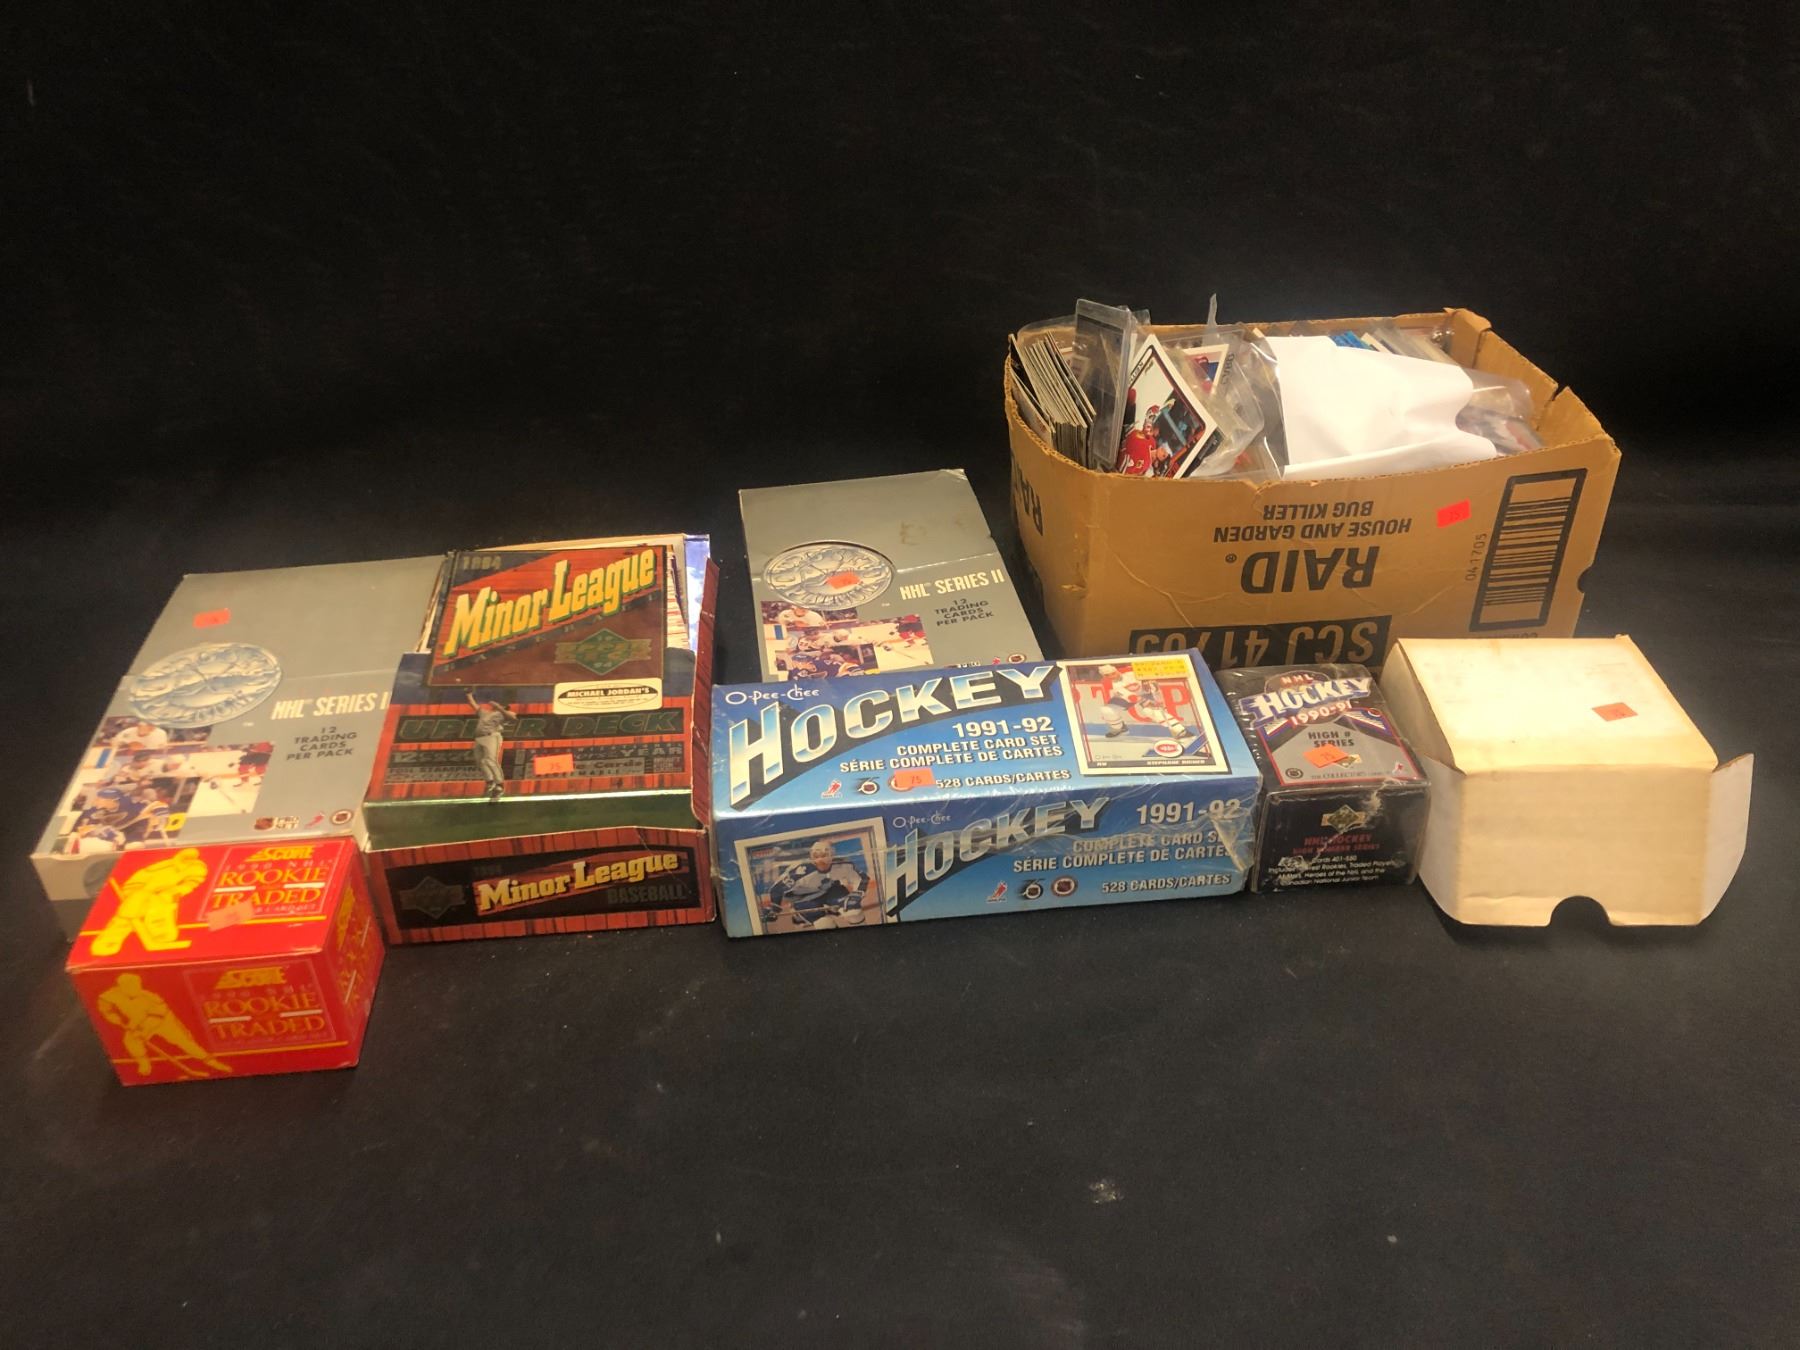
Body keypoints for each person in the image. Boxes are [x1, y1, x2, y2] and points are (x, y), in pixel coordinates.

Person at [96, 973, 231, 1077]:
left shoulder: (150, 997)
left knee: (183, 1041)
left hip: (163, 1021)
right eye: (130, 987)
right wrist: (114, 1018)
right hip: (136, 1022)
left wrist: (141, 1031)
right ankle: (143, 1062)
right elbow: (106, 1008)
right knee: (131, 1041)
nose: (135, 988)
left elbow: (156, 1018)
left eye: (137, 985)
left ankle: (210, 1061)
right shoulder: (109, 996)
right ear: (121, 987)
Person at [92, 846, 209, 955]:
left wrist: (172, 892)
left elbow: (191, 883)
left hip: (164, 896)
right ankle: (110, 939)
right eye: (185, 857)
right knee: (128, 913)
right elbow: (136, 881)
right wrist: (136, 892)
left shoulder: (196, 868)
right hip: (140, 892)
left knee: (158, 914)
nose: (186, 860)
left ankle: (163, 935)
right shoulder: (159, 867)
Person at [763, 839, 870, 928]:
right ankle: (802, 917)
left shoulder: (842, 864)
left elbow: (861, 878)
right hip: (804, 899)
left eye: (824, 855)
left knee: (854, 913)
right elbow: (777, 889)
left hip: (829, 890)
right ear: (811, 856)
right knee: (825, 925)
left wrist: (857, 894)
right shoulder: (800, 871)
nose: (820, 860)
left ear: (832, 855)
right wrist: (774, 908)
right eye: (816, 856)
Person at [1095, 663, 1189, 740]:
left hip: (1145, 693)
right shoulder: (1109, 683)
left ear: (1116, 670)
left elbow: (1153, 681)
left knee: (1150, 711)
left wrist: (1152, 688)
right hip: (1127, 697)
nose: (1111, 676)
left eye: (1112, 673)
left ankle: (1181, 731)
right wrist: (1146, 701)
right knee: (1107, 710)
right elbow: (1131, 697)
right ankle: (1119, 729)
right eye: (1107, 675)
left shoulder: (1132, 673)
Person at [467, 690, 518, 801]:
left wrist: (499, 707)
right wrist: (468, 694)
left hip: (491, 736)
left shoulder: (502, 714)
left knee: (490, 760)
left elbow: (513, 718)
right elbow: (473, 704)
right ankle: (490, 782)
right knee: (480, 761)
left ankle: (500, 785)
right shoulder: (485, 713)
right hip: (479, 738)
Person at [1116, 406, 1161, 475]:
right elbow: (1145, 431)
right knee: (1131, 402)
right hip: (1126, 429)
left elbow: (1123, 467)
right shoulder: (1153, 443)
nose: (1164, 450)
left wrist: (1122, 446)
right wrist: (1150, 416)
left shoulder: (1145, 463)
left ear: (1156, 463)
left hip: (1117, 442)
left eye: (1164, 455)